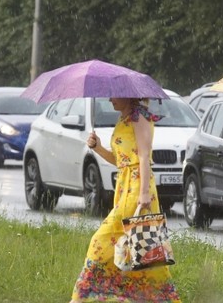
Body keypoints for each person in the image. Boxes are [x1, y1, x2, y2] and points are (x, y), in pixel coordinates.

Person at [70, 98, 180, 302]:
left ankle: (83, 297)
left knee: (101, 240)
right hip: (124, 186)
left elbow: (145, 157)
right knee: (143, 251)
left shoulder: (141, 117)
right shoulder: (124, 119)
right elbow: (121, 161)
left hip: (137, 188)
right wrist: (99, 148)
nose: (110, 99)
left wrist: (144, 193)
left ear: (127, 95)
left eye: (114, 95)